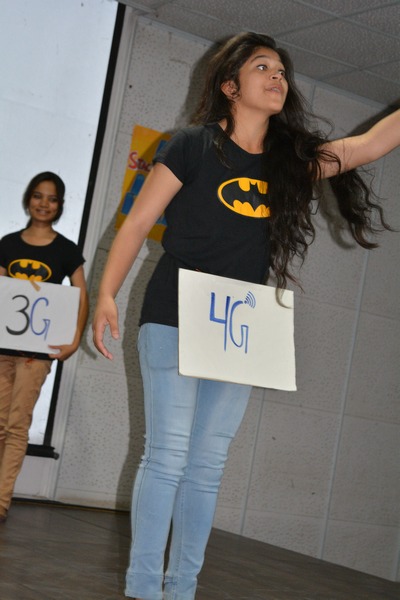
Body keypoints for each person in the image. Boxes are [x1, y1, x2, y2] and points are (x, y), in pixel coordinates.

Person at [92, 32, 400, 600]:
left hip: (242, 325)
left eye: (282, 70)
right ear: (230, 86)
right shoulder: (190, 145)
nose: (277, 76)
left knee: (208, 464)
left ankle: (182, 588)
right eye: (263, 67)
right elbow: (136, 224)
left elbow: (368, 145)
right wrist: (106, 294)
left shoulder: (290, 164)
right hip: (175, 309)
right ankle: (143, 587)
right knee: (167, 456)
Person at [0, 171, 89, 524]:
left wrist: (74, 339)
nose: (44, 203)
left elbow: (81, 295)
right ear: (28, 199)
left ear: (60, 205)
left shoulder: (66, 250)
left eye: (52, 199)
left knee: (17, 424)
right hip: (2, 348)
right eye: (38, 196)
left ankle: (1, 501)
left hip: (35, 356)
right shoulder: (8, 244)